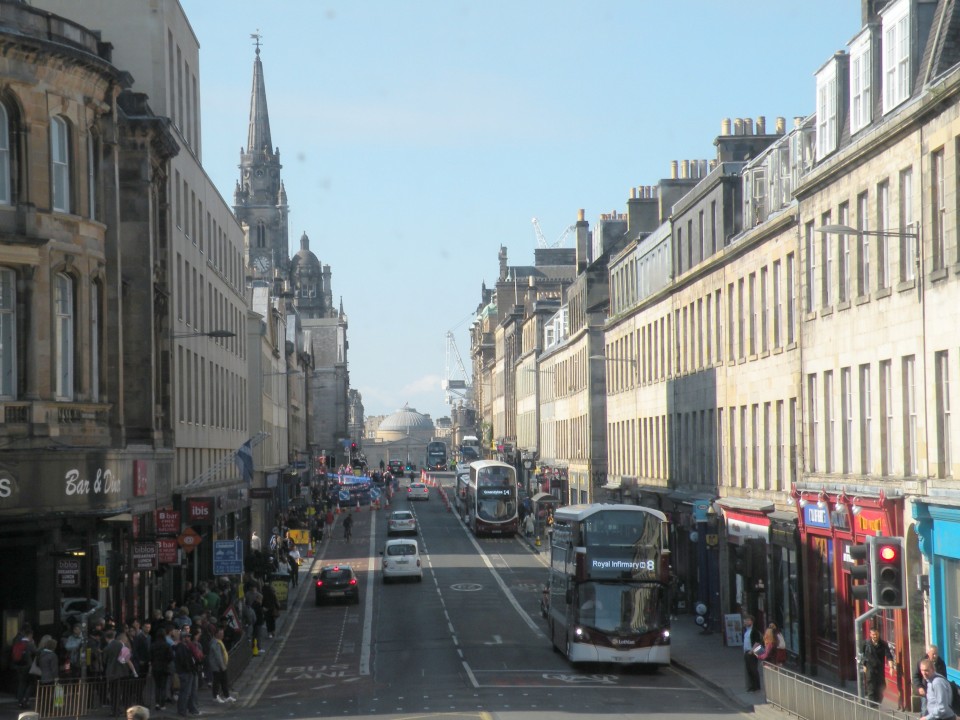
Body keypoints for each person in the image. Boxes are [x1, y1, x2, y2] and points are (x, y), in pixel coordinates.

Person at [860, 626, 893, 704]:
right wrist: (864, 665)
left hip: (879, 669)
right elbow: (862, 655)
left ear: (879, 634)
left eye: (876, 634)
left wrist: (891, 667)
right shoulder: (866, 644)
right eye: (873, 634)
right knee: (871, 687)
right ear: (870, 634)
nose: (875, 636)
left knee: (881, 686)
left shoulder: (884, 644)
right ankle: (872, 706)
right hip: (870, 668)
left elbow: (888, 656)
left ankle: (878, 702)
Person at [914, 645, 948, 715]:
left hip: (937, 692)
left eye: (936, 654)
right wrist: (919, 687)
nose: (935, 656)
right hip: (926, 691)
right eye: (933, 654)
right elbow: (916, 676)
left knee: (937, 712)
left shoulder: (941, 663)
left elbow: (944, 678)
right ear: (928, 653)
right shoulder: (921, 662)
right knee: (925, 711)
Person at [208, 626, 236, 703]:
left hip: (221, 666)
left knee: (224, 681)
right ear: (216, 634)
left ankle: (226, 696)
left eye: (223, 633)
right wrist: (222, 666)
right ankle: (215, 696)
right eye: (221, 633)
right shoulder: (215, 643)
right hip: (218, 666)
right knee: (217, 682)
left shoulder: (219, 641)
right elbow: (218, 656)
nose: (222, 635)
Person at [12, 623, 37, 708]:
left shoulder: (17, 639)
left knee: (21, 683)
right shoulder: (29, 643)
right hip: (27, 665)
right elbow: (35, 651)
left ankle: (20, 700)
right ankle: (25, 700)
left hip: (18, 665)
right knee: (32, 683)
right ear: (29, 635)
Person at [742, 614, 763, 692]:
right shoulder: (746, 630)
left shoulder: (754, 631)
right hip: (746, 652)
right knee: (749, 670)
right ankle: (751, 686)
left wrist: (752, 650)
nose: (746, 622)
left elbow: (757, 642)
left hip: (752, 653)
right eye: (745, 620)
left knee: (753, 669)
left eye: (747, 620)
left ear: (752, 621)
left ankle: (756, 686)